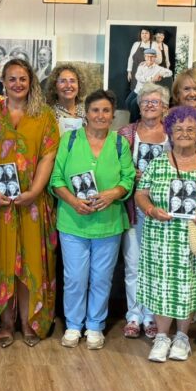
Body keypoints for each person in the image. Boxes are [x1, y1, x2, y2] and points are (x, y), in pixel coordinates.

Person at [134, 106, 196, 363]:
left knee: (190, 286)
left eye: (190, 129)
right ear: (170, 132)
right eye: (178, 129)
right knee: (163, 287)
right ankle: (162, 337)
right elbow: (140, 194)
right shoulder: (156, 163)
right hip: (162, 237)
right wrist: (152, 210)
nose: (185, 133)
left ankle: (182, 338)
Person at [0, 58, 59, 347]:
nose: (18, 84)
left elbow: (48, 156)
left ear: (31, 82)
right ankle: (6, 323)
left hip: (33, 206)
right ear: (3, 83)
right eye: (12, 79)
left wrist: (34, 192)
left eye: (23, 79)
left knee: (30, 264)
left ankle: (28, 322)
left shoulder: (44, 116)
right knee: (3, 263)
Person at [50, 90, 135, 350]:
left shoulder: (120, 143)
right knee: (75, 277)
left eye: (105, 110)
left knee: (101, 278)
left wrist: (113, 194)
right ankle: (74, 325)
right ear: (86, 113)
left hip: (108, 222)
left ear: (113, 115)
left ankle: (95, 325)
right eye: (95, 110)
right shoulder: (70, 140)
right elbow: (56, 179)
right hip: (73, 221)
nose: (100, 115)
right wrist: (73, 201)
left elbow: (128, 179)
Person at [118, 83, 169, 339]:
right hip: (132, 209)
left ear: (164, 107)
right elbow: (114, 168)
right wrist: (130, 173)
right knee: (133, 264)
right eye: (145, 101)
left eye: (155, 101)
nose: (149, 105)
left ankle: (152, 315)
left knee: (157, 266)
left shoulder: (173, 133)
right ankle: (134, 315)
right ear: (138, 106)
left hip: (163, 212)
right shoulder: (126, 132)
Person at [125, 48, 172, 122]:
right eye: (147, 56)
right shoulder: (141, 66)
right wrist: (152, 78)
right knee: (128, 102)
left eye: (152, 56)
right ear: (145, 57)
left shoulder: (158, 68)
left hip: (145, 92)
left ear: (155, 57)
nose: (149, 58)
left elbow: (169, 73)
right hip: (137, 90)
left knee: (134, 104)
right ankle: (138, 117)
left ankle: (133, 124)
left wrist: (160, 74)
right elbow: (138, 77)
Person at [45, 64, 87, 136]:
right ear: (54, 87)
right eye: (63, 81)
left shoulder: (87, 112)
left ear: (79, 86)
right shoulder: (48, 114)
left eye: (72, 81)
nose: (68, 85)